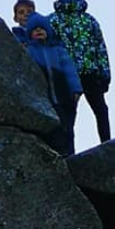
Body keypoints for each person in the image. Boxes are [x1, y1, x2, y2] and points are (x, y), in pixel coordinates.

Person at [49, 0, 111, 143]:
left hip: (89, 71)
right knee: (69, 112)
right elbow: (49, 46)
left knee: (101, 109)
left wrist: (105, 74)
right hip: (67, 74)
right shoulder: (53, 20)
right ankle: (68, 149)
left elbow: (100, 46)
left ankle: (107, 143)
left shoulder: (89, 20)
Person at [25, 12, 82, 156]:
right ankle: (54, 155)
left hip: (63, 96)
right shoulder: (29, 51)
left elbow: (70, 70)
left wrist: (76, 89)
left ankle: (69, 155)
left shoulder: (58, 50)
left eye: (42, 29)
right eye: (35, 29)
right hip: (46, 97)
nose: (39, 31)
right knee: (52, 129)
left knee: (67, 127)